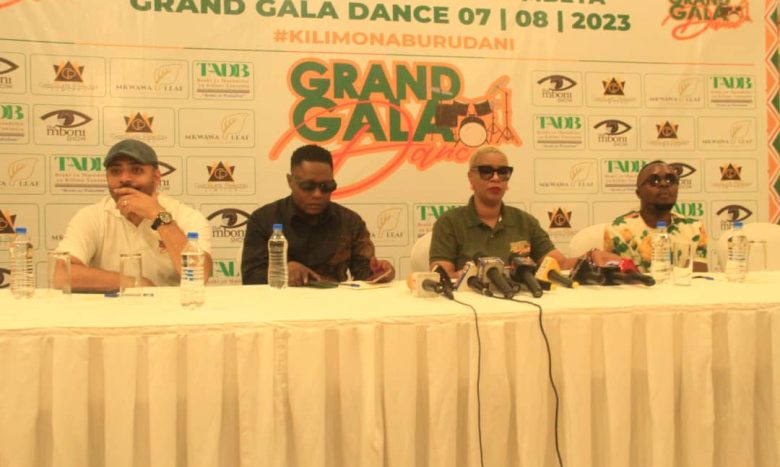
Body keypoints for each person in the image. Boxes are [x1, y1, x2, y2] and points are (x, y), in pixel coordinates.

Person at [429, 146, 615, 279]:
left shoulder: (525, 221)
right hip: (472, 306)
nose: (496, 178)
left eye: (503, 172)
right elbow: (441, 276)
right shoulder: (449, 222)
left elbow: (560, 264)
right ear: (471, 177)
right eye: (486, 171)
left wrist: (590, 256)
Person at [56, 139, 212, 291]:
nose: (124, 178)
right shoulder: (91, 216)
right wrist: (134, 283)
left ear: (156, 177)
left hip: (172, 307)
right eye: (115, 171)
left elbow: (200, 275)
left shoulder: (187, 216)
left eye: (136, 170)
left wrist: (158, 215)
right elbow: (61, 275)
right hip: (111, 307)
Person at [241, 144, 394, 286]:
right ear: (290, 181)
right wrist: (283, 272)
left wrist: (379, 273)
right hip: (279, 301)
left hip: (335, 301)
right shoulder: (263, 219)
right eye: (308, 186)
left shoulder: (350, 222)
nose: (317, 194)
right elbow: (250, 276)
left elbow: (364, 273)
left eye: (326, 187)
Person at [604, 160, 708, 272]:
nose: (664, 184)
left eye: (670, 180)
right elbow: (623, 279)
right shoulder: (618, 230)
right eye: (654, 181)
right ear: (638, 193)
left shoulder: (695, 228)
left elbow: (699, 278)